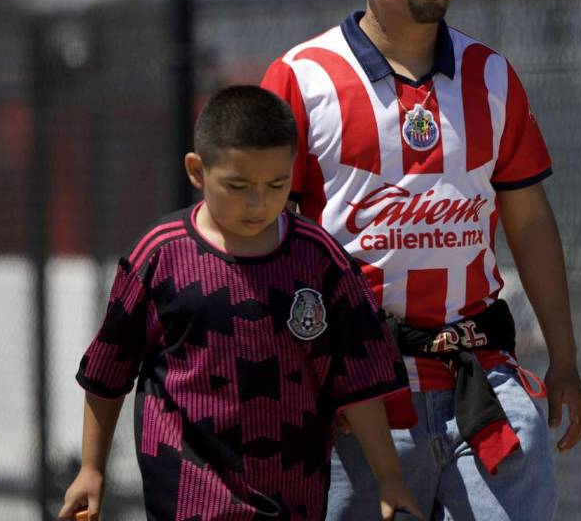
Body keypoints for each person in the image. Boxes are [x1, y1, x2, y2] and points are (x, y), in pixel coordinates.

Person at [261, 0, 581, 521]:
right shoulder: (302, 78)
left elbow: (529, 222)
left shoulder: (492, 75)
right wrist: (305, 376)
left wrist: (567, 361)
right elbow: (264, 242)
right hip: (361, 400)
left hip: (485, 384)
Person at [58, 85, 422, 521]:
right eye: (238, 185)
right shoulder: (159, 255)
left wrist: (389, 476)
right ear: (197, 170)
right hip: (188, 501)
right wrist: (91, 469)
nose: (258, 202)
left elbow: (359, 379)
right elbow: (108, 371)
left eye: (276, 184)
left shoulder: (319, 259)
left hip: (294, 500)